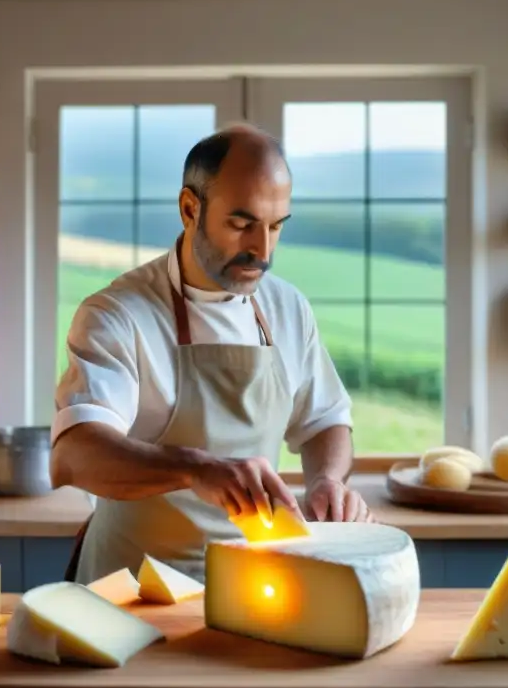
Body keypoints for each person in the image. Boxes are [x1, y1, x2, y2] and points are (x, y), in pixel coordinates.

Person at [51, 123, 372, 585]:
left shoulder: (287, 308)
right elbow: (74, 455)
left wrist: (327, 480)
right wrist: (194, 468)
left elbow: (324, 421)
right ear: (189, 208)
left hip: (251, 587)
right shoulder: (118, 314)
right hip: (133, 588)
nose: (262, 251)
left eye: (275, 226)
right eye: (242, 225)